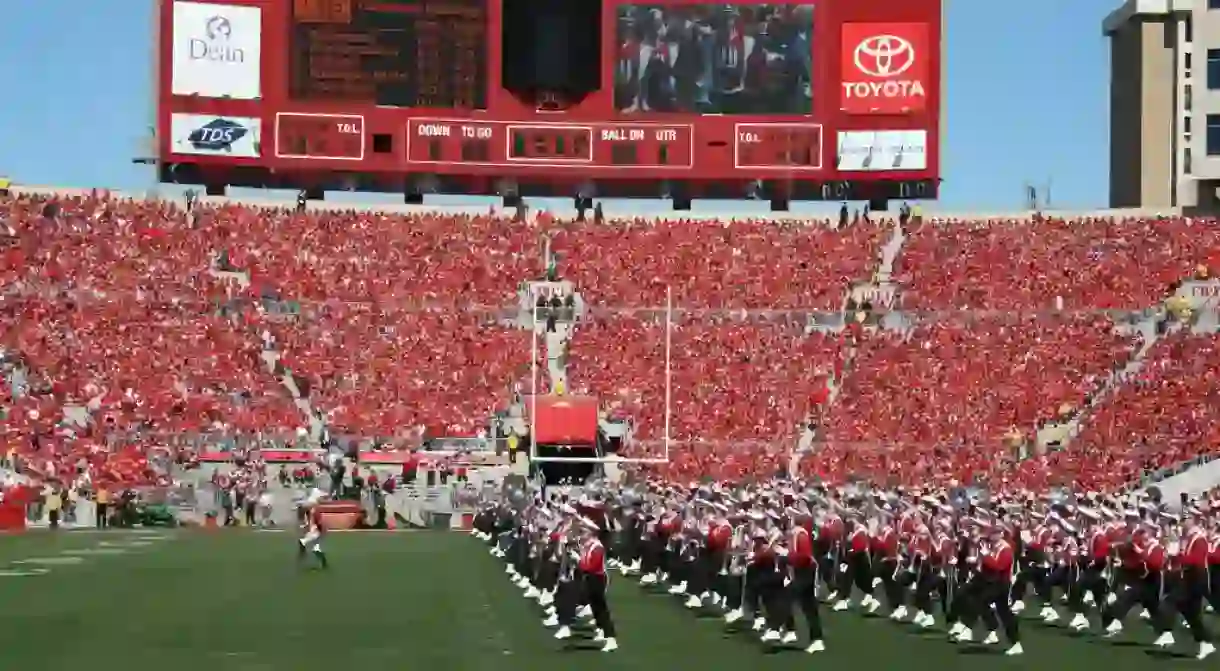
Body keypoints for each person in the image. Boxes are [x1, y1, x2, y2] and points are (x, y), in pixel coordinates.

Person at [298, 503, 329, 569]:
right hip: (316, 533)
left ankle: (303, 553)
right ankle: (324, 563)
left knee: (302, 541)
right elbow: (310, 523)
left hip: (315, 532)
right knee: (316, 549)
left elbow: (319, 523)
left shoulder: (314, 513)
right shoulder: (310, 514)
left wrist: (321, 530)